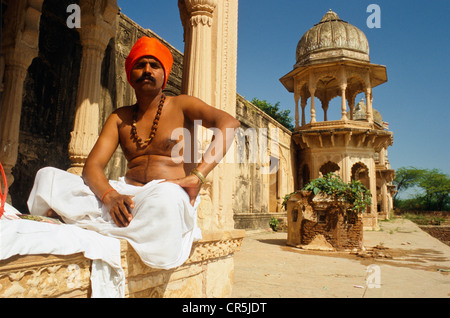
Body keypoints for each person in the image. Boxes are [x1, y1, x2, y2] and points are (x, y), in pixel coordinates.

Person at [27, 36, 240, 269]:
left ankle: (96, 227)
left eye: (154, 65)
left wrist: (198, 175)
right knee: (48, 177)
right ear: (130, 75)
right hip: (123, 196)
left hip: (164, 194)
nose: (147, 70)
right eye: (140, 65)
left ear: (164, 74)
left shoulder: (182, 105)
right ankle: (119, 225)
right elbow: (92, 167)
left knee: (165, 203)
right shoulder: (120, 117)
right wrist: (110, 196)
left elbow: (228, 124)